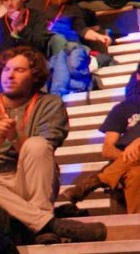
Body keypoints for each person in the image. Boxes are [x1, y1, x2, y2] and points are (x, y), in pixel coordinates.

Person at [0, 46, 103, 243]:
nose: (10, 76)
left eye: (19, 70)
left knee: (36, 144)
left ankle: (39, 219)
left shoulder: (50, 104)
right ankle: (46, 225)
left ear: (34, 76)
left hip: (35, 179)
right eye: (6, 70)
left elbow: (43, 150)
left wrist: (13, 137)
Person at [60, 83, 140, 214]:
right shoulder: (125, 108)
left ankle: (97, 180)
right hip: (130, 164)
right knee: (136, 174)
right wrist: (130, 157)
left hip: (122, 163)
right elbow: (107, 150)